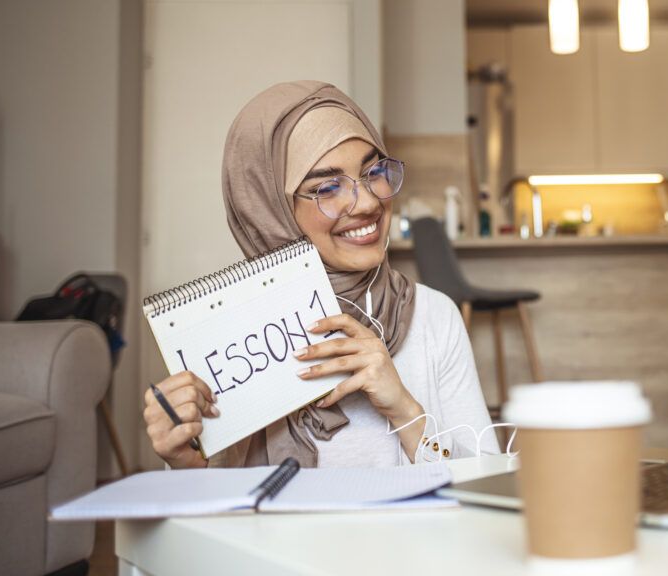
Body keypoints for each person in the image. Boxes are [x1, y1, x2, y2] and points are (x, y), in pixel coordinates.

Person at [142, 81, 497, 469]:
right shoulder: (229, 344)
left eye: (374, 171)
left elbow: (484, 485)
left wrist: (405, 410)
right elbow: (211, 517)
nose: (367, 202)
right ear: (269, 209)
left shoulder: (432, 317)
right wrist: (183, 461)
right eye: (327, 187)